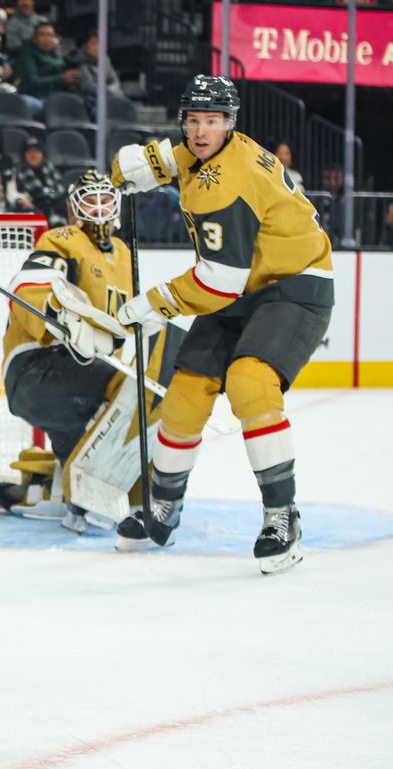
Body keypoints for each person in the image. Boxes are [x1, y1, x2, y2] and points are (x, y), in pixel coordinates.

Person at [110, 75, 333, 574]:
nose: (201, 130)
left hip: (294, 287)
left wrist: (153, 304)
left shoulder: (228, 183)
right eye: (193, 120)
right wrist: (130, 167)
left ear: (230, 124)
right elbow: (166, 160)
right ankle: (162, 509)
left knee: (250, 382)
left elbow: (218, 284)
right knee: (187, 392)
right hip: (247, 286)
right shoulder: (201, 149)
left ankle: (283, 517)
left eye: (212, 121)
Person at [0, 170, 138, 530]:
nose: (97, 208)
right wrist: (59, 321)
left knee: (120, 400)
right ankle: (84, 492)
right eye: (89, 200)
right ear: (73, 208)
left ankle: (56, 491)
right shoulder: (62, 239)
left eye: (104, 199)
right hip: (36, 366)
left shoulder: (126, 254)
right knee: (123, 395)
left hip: (83, 371)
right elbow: (28, 284)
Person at [11, 136, 66, 225]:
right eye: (29, 152)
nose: (33, 155)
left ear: (42, 154)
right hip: (33, 210)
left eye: (37, 151)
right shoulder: (18, 171)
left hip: (54, 207)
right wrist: (49, 191)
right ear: (24, 155)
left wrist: (47, 191)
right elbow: (23, 194)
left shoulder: (49, 168)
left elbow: (59, 189)